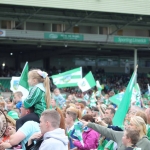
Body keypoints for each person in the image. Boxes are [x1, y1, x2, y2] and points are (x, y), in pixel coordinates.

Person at [80, 116, 150, 150]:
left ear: (138, 127)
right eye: (129, 124)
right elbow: (106, 130)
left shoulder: (146, 143)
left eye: (131, 124)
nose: (128, 126)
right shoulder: (122, 135)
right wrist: (90, 124)